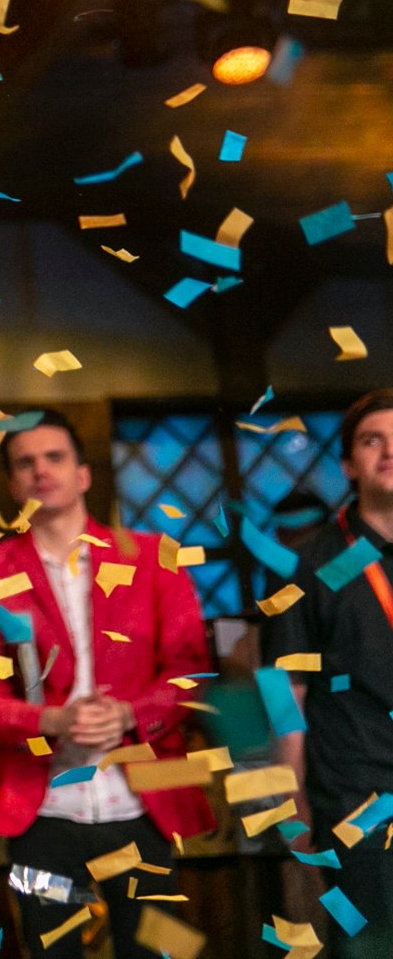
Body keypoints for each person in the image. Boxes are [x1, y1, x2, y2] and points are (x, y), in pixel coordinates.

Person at [0, 415, 212, 959]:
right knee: (51, 952)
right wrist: (48, 720)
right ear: (12, 484)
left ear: (84, 474)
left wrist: (127, 716)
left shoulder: (154, 556)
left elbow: (190, 676)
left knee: (159, 952)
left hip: (144, 802)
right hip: (40, 811)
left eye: (55, 457)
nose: (41, 470)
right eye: (25, 462)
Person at [266, 387, 393, 958]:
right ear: (348, 465)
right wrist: (292, 808)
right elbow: (282, 692)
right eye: (373, 441)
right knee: (371, 948)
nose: (389, 452)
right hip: (357, 800)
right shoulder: (308, 565)